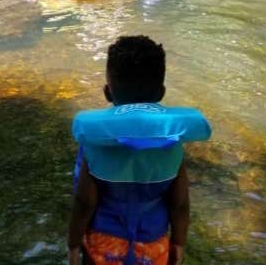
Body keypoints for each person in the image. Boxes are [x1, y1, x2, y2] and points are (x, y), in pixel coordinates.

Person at [68, 36, 199, 265]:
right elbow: (179, 204)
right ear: (161, 93)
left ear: (108, 92)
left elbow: (85, 202)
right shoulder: (171, 141)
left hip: (104, 242)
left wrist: (73, 243)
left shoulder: (94, 141)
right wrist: (178, 242)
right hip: (152, 243)